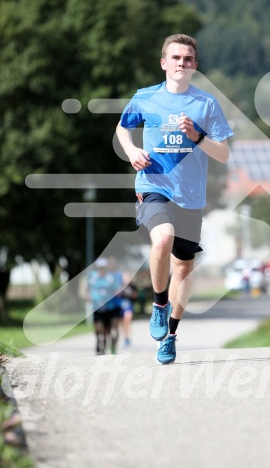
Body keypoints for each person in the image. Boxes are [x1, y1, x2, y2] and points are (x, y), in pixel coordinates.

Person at [116, 33, 233, 364]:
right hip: (154, 184)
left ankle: (171, 333)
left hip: (191, 197)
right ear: (164, 63)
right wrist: (131, 151)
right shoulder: (145, 98)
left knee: (183, 268)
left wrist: (197, 136)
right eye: (176, 58)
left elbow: (223, 154)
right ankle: (158, 304)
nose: (182, 63)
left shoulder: (206, 104)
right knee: (162, 237)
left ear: (195, 66)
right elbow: (122, 129)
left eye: (188, 59)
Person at [87, 257, 118, 355]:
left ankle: (103, 345)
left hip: (108, 307)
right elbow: (87, 289)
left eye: (103, 268)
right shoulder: (92, 277)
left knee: (106, 330)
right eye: (99, 268)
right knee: (97, 327)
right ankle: (97, 340)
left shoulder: (110, 278)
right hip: (96, 307)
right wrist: (88, 297)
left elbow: (116, 289)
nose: (101, 269)